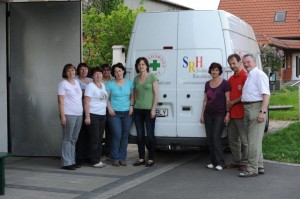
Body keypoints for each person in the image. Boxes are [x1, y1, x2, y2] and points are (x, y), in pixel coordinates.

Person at [239, 54, 270, 177]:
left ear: (254, 62)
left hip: (256, 108)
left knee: (252, 141)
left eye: (248, 62)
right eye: (244, 62)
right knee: (255, 141)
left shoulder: (259, 74)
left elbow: (266, 95)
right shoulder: (250, 75)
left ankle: (252, 169)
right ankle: (259, 165)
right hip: (248, 108)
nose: (246, 64)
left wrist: (262, 112)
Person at [200, 62, 230, 171]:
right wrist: (202, 115)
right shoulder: (207, 84)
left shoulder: (225, 84)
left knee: (215, 137)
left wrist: (228, 113)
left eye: (217, 70)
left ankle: (221, 163)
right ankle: (213, 162)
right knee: (209, 138)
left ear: (220, 71)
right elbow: (205, 100)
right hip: (208, 114)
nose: (214, 72)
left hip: (220, 114)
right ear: (210, 71)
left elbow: (228, 100)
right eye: (213, 70)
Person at [106, 63, 134, 166]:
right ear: (113, 73)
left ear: (123, 71)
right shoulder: (110, 84)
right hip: (114, 113)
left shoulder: (130, 83)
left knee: (125, 136)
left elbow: (132, 96)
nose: (118, 73)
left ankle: (122, 158)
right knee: (117, 135)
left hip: (127, 113)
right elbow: (106, 98)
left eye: (120, 70)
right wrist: (109, 108)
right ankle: (115, 158)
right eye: (116, 71)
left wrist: (131, 106)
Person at [132, 57, 158, 167]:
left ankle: (151, 158)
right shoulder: (136, 79)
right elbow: (134, 94)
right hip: (138, 110)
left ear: (146, 65)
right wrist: (132, 106)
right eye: (139, 65)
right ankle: (141, 158)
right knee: (140, 136)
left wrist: (153, 109)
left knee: (150, 136)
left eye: (142, 64)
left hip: (149, 111)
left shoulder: (152, 77)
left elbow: (156, 94)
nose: (141, 66)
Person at [57, 63, 83, 170]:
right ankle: (66, 163)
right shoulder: (62, 84)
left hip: (79, 114)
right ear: (65, 73)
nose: (71, 72)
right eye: (69, 71)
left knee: (74, 139)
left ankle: (72, 160)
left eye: (73, 70)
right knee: (67, 139)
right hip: (68, 114)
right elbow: (60, 101)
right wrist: (62, 117)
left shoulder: (76, 82)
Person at [226, 54, 248, 171]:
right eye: (230, 64)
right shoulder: (230, 79)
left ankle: (245, 162)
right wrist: (228, 111)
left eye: (234, 63)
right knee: (233, 140)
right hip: (232, 114)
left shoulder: (245, 76)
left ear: (240, 62)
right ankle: (237, 161)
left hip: (242, 114)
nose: (232, 66)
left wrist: (232, 102)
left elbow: (245, 95)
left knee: (244, 141)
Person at [84, 67, 108, 168]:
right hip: (93, 115)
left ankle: (97, 159)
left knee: (99, 138)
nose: (98, 75)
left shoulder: (102, 85)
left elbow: (104, 99)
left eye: (100, 73)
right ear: (92, 76)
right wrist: (87, 116)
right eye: (96, 74)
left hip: (102, 115)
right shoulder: (90, 86)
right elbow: (86, 102)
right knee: (94, 139)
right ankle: (93, 160)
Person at [74, 63, 93, 167]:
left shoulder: (91, 80)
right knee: (80, 135)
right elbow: (77, 93)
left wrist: (85, 92)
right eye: (81, 69)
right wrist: (87, 93)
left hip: (90, 111)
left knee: (89, 135)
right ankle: (79, 158)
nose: (84, 71)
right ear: (78, 70)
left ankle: (88, 157)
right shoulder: (75, 80)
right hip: (79, 111)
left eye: (86, 69)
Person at [100, 64, 113, 160]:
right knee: (100, 131)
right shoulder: (99, 81)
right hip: (101, 108)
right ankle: (99, 152)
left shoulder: (113, 80)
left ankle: (109, 152)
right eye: (104, 70)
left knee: (110, 131)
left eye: (108, 70)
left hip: (112, 108)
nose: (106, 71)